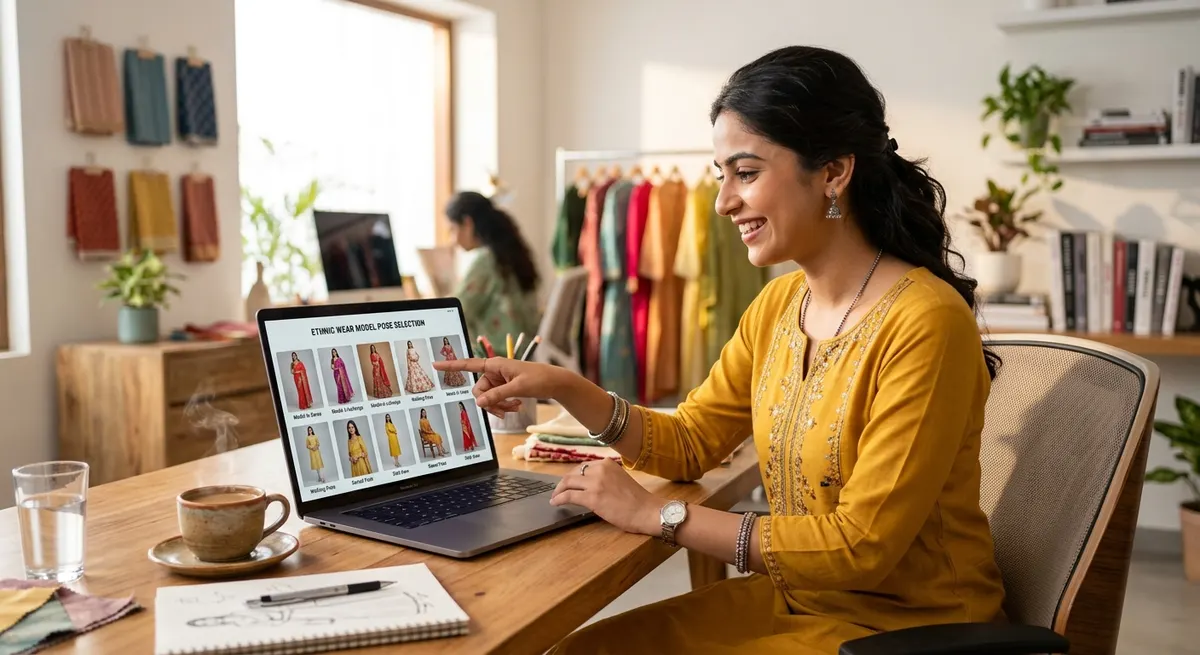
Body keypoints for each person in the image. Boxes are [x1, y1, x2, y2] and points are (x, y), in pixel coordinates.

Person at [433, 45, 1006, 654]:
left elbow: (858, 549)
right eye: (720, 176)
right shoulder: (778, 307)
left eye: (747, 173)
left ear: (835, 172)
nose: (723, 201)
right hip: (796, 599)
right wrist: (563, 386)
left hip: (907, 631)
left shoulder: (925, 322)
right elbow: (688, 445)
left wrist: (658, 517)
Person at [444, 191, 540, 354]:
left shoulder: (486, 260)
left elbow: (454, 313)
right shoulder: (509, 254)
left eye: (453, 229)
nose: (453, 239)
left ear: (468, 224)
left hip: (498, 357)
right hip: (522, 353)